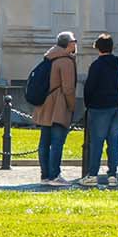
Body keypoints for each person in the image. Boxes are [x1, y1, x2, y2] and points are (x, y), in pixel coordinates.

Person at [79, 33, 118, 187]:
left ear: (98, 48)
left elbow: (89, 87)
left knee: (97, 143)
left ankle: (93, 174)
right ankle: (112, 175)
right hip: (116, 106)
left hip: (99, 107)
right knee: (113, 142)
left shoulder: (96, 66)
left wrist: (88, 104)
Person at [35, 31, 78, 186]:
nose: (76, 44)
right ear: (69, 44)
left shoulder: (49, 57)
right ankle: (54, 175)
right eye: (74, 41)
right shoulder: (65, 61)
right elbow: (68, 89)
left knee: (44, 142)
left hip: (45, 103)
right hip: (59, 105)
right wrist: (72, 106)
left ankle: (45, 175)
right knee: (57, 142)